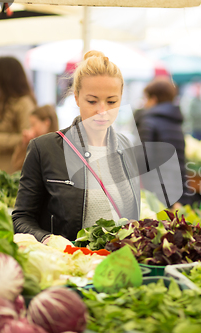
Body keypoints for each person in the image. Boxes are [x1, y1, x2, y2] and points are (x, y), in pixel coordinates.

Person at [13, 51, 141, 242]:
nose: (102, 111)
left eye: (112, 101)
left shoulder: (125, 147)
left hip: (115, 264)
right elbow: (22, 218)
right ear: (76, 97)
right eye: (92, 101)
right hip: (67, 264)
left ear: (121, 99)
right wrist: (49, 240)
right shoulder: (44, 148)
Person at [136, 77, 191, 205]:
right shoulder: (177, 123)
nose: (144, 104)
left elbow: (143, 161)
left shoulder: (148, 121)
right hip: (179, 190)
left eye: (146, 99)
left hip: (157, 193)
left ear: (153, 99)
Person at [11, 105, 59, 171]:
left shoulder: (56, 145)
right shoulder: (34, 144)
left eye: (33, 124)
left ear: (46, 122)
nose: (31, 128)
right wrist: (24, 145)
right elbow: (17, 166)